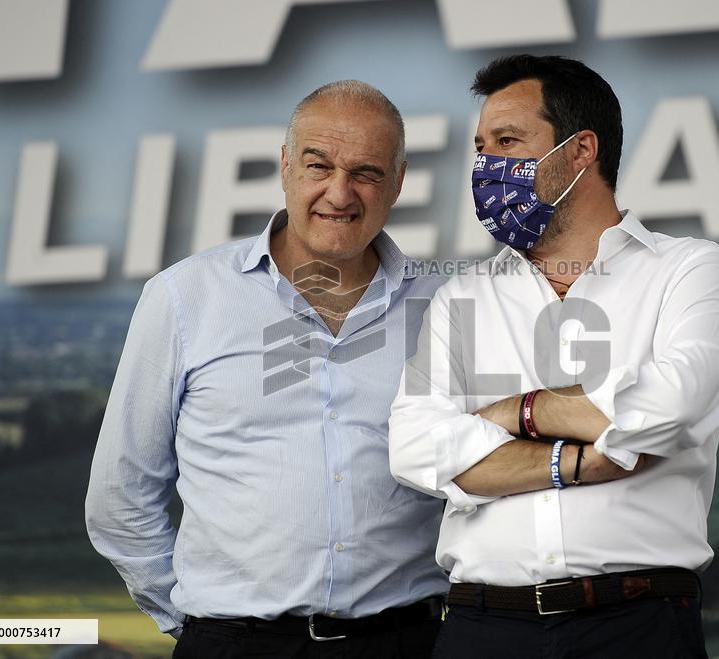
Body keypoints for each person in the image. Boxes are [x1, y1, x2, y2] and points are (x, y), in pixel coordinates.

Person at [389, 55, 719, 659]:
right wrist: (579, 459)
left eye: (508, 142)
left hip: (638, 625)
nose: (487, 166)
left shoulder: (686, 269)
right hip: (483, 626)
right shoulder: (462, 295)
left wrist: (514, 415)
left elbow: (668, 411)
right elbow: (416, 449)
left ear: (581, 152)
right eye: (481, 147)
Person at [86, 80, 448, 658]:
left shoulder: (447, 304)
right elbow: (118, 494)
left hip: (408, 641)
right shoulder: (185, 297)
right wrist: (202, 624)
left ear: (399, 182)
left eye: (367, 173)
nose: (339, 192)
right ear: (285, 166)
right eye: (318, 165)